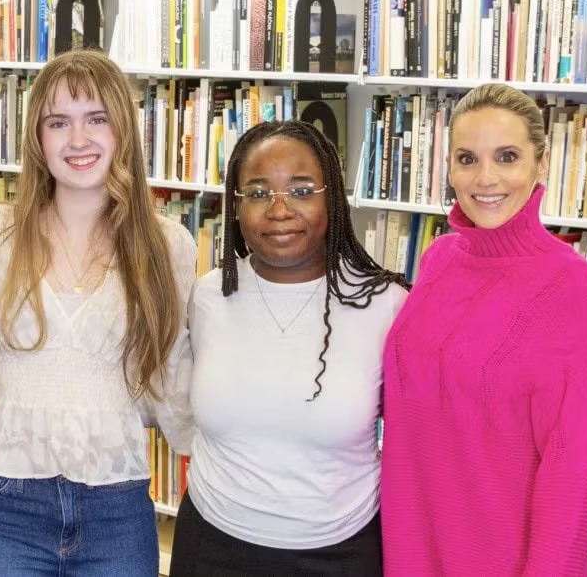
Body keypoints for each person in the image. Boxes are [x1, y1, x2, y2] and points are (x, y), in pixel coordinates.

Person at [0, 49, 198, 576]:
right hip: (5, 500)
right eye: (58, 122)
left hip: (118, 505)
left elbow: (173, 383)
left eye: (97, 119)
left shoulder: (168, 246)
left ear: (123, 130)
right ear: (37, 140)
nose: (79, 140)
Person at [381, 83, 587, 576]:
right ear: (448, 167)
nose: (485, 178)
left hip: (500, 559)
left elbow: (575, 467)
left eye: (507, 157)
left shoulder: (573, 287)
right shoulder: (438, 259)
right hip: (410, 547)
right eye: (467, 159)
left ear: (542, 163)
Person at [169, 119, 409, 576]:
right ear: (236, 206)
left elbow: (413, 446)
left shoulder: (385, 305)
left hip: (340, 553)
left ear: (331, 198)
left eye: (301, 190)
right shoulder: (209, 294)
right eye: (258, 193)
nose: (279, 210)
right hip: (212, 545)